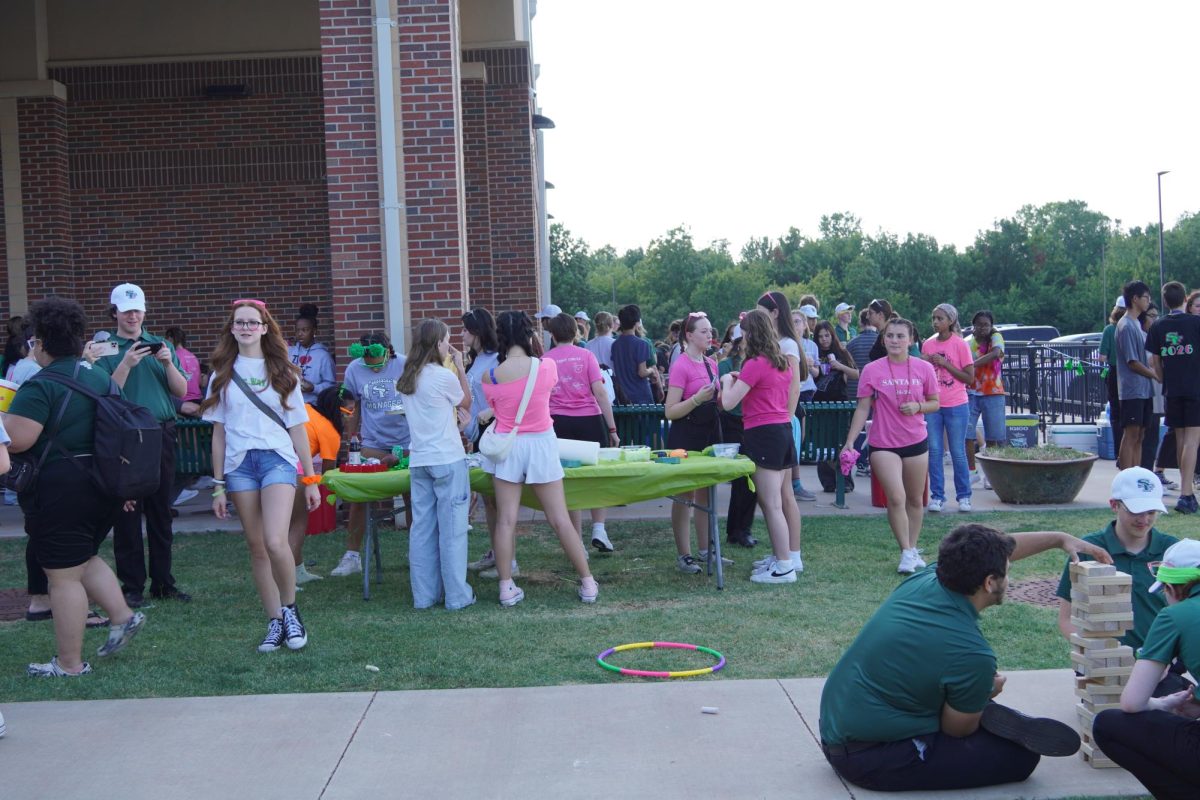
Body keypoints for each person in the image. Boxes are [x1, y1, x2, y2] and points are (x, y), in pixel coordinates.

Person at [819, 523, 1108, 792]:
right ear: (990, 582)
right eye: (1008, 570)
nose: (1011, 573)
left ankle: (969, 700)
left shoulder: (928, 578)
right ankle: (977, 702)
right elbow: (957, 730)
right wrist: (986, 691)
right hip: (870, 756)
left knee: (957, 685)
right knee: (1021, 758)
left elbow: (1002, 549)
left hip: (839, 726)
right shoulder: (972, 654)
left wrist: (1059, 539)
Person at [7, 297, 146, 676]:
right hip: (104, 485)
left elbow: (18, 440)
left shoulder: (40, 386)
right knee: (82, 556)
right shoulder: (98, 377)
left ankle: (69, 665)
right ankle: (122, 615)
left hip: (60, 489)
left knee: (62, 576)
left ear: (41, 342)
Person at [201, 299, 321, 652]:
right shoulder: (221, 374)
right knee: (257, 548)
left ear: (265, 328)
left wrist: (311, 479)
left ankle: (290, 611)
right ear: (232, 328)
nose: (246, 328)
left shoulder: (284, 371)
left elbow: (298, 427)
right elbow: (218, 434)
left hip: (277, 461)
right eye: (240, 323)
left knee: (275, 541)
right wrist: (218, 485)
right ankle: (274, 621)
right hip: (239, 467)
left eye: (253, 323)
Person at [479, 311, 598, 606]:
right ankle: (587, 582)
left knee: (506, 520)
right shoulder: (546, 366)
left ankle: (506, 587)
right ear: (528, 333)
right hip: (542, 443)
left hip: (509, 447)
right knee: (560, 519)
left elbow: (495, 408)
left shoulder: (490, 375)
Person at [94, 283, 190, 608]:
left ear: (144, 312)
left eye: (137, 310)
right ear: (115, 313)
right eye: (126, 310)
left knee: (161, 511)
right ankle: (132, 585)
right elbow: (106, 393)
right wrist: (126, 363)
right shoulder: (105, 347)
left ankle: (164, 582)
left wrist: (167, 362)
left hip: (160, 432)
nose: (132, 316)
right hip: (126, 437)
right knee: (127, 512)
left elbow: (181, 391)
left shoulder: (159, 344)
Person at [1054, 467, 1192, 692]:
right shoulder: (1088, 549)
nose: (1144, 519)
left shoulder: (1172, 550)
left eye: (1151, 511)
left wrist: (1162, 659)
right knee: (1110, 719)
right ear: (1114, 505)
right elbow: (1066, 619)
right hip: (1103, 661)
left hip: (1161, 660)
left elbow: (1188, 617)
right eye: (1135, 511)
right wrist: (1104, 655)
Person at [1092, 538, 1200, 799]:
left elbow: (1132, 703)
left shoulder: (1175, 615)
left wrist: (1163, 705)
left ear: (1173, 587)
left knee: (1108, 725)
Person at [842, 318, 939, 573]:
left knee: (916, 500)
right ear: (883, 339)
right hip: (883, 442)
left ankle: (912, 548)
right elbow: (862, 407)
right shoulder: (872, 370)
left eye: (900, 336)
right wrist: (851, 441)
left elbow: (935, 402)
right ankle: (906, 552)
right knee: (896, 498)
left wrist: (918, 407)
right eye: (890, 336)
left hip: (916, 440)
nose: (894, 340)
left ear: (911, 340)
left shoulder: (923, 368)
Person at [397, 319, 475, 610]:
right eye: (446, 340)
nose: (448, 345)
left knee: (422, 530)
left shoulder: (408, 376)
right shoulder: (443, 375)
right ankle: (457, 596)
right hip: (447, 459)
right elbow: (465, 401)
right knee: (453, 529)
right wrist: (461, 366)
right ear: (437, 344)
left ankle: (424, 596)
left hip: (419, 460)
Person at [720, 309, 803, 583]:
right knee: (776, 501)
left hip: (763, 434)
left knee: (771, 504)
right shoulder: (781, 362)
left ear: (750, 333)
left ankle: (784, 567)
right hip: (781, 432)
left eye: (742, 333)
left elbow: (729, 402)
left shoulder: (755, 363)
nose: (740, 338)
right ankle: (784, 557)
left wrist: (725, 381)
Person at [330, 331, 410, 577]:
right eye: (368, 364)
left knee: (413, 497)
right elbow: (351, 407)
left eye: (377, 364)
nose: (373, 369)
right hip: (372, 442)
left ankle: (417, 550)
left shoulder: (404, 364)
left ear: (388, 352)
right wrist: (351, 438)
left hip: (407, 441)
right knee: (360, 498)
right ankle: (352, 556)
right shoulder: (354, 369)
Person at [545, 313, 620, 552]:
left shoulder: (545, 360)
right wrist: (612, 428)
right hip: (589, 419)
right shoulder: (587, 355)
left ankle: (576, 540)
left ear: (553, 335)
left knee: (568, 481)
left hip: (558, 423)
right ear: (576, 332)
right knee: (596, 476)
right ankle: (599, 528)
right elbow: (600, 393)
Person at [663, 312, 725, 573]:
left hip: (709, 435)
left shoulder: (712, 364)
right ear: (689, 335)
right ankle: (684, 555)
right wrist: (697, 399)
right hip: (685, 437)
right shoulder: (681, 365)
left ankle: (706, 550)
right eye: (704, 331)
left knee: (707, 493)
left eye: (711, 331)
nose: (710, 335)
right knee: (684, 496)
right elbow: (670, 411)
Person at [1146, 281, 1200, 514]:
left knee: (1180, 440)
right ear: (1185, 299)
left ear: (1165, 301)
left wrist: (1161, 379)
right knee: (1192, 441)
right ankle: (1186, 494)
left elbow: (1154, 360)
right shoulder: (1196, 323)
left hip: (1172, 390)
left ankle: (1185, 490)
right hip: (1195, 389)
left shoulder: (1157, 326)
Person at [460, 308, 506, 576]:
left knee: (499, 500)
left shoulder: (497, 360)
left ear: (477, 331)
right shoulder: (474, 360)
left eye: (466, 329)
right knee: (489, 500)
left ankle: (508, 560)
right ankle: (495, 552)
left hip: (494, 431)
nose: (462, 333)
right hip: (477, 433)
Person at [756, 291, 812, 503]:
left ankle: (791, 538)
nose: (759, 318)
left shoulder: (787, 344)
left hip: (784, 420)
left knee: (784, 494)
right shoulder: (775, 342)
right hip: (778, 420)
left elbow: (794, 387)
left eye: (762, 313)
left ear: (775, 313)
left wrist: (786, 420)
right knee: (782, 494)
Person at [288, 385, 344, 586]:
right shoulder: (330, 432)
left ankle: (299, 571)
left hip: (274, 465)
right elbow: (329, 473)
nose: (350, 417)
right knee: (296, 526)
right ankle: (288, 581)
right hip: (295, 472)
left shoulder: (307, 409)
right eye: (348, 412)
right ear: (336, 410)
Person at [922, 303, 975, 513]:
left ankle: (964, 496)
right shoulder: (927, 344)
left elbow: (969, 378)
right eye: (933, 318)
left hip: (956, 404)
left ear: (951, 321)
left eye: (940, 318)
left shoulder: (960, 345)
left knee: (957, 451)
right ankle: (937, 496)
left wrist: (945, 364)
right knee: (934, 451)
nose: (935, 322)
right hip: (933, 404)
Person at [718, 326, 758, 549]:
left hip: (751, 422)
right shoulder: (725, 365)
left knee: (751, 479)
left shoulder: (756, 362)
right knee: (742, 479)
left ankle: (743, 528)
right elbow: (722, 400)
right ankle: (737, 529)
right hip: (732, 423)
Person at [1117, 281, 1158, 470]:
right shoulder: (1126, 325)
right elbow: (1132, 362)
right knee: (1131, 434)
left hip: (1144, 389)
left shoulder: (1137, 325)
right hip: (1132, 390)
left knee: (1141, 435)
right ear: (1135, 299)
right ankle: (1127, 477)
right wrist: (1155, 375)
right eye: (1145, 297)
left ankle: (1137, 474)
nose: (1148, 301)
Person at [965, 310, 1006, 489]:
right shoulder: (967, 342)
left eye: (986, 325)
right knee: (966, 434)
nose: (983, 328)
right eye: (979, 324)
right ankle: (972, 472)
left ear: (991, 326)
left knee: (993, 437)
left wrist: (972, 364)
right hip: (970, 393)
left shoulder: (996, 338)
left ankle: (991, 476)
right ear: (973, 325)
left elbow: (996, 353)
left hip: (993, 392)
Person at [288, 304, 336, 405]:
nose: (300, 334)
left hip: (313, 408)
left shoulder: (323, 356)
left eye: (305, 330)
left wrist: (313, 388)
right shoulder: (289, 352)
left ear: (314, 331)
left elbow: (331, 386)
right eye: (297, 330)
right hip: (290, 407)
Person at [1099, 296, 1127, 460]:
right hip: (1133, 373)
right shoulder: (1134, 326)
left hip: (1115, 372)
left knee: (1115, 414)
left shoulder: (1110, 330)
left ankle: (1119, 452)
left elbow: (1102, 356)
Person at [611, 304, 655, 405]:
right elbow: (642, 372)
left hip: (623, 397)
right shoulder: (642, 344)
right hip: (641, 395)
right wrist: (652, 370)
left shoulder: (615, 345)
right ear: (637, 323)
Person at [811, 320, 858, 402]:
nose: (824, 339)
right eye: (820, 336)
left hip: (839, 401)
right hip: (817, 401)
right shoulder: (813, 352)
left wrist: (841, 366)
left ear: (832, 335)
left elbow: (856, 374)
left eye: (827, 335)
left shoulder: (842, 352)